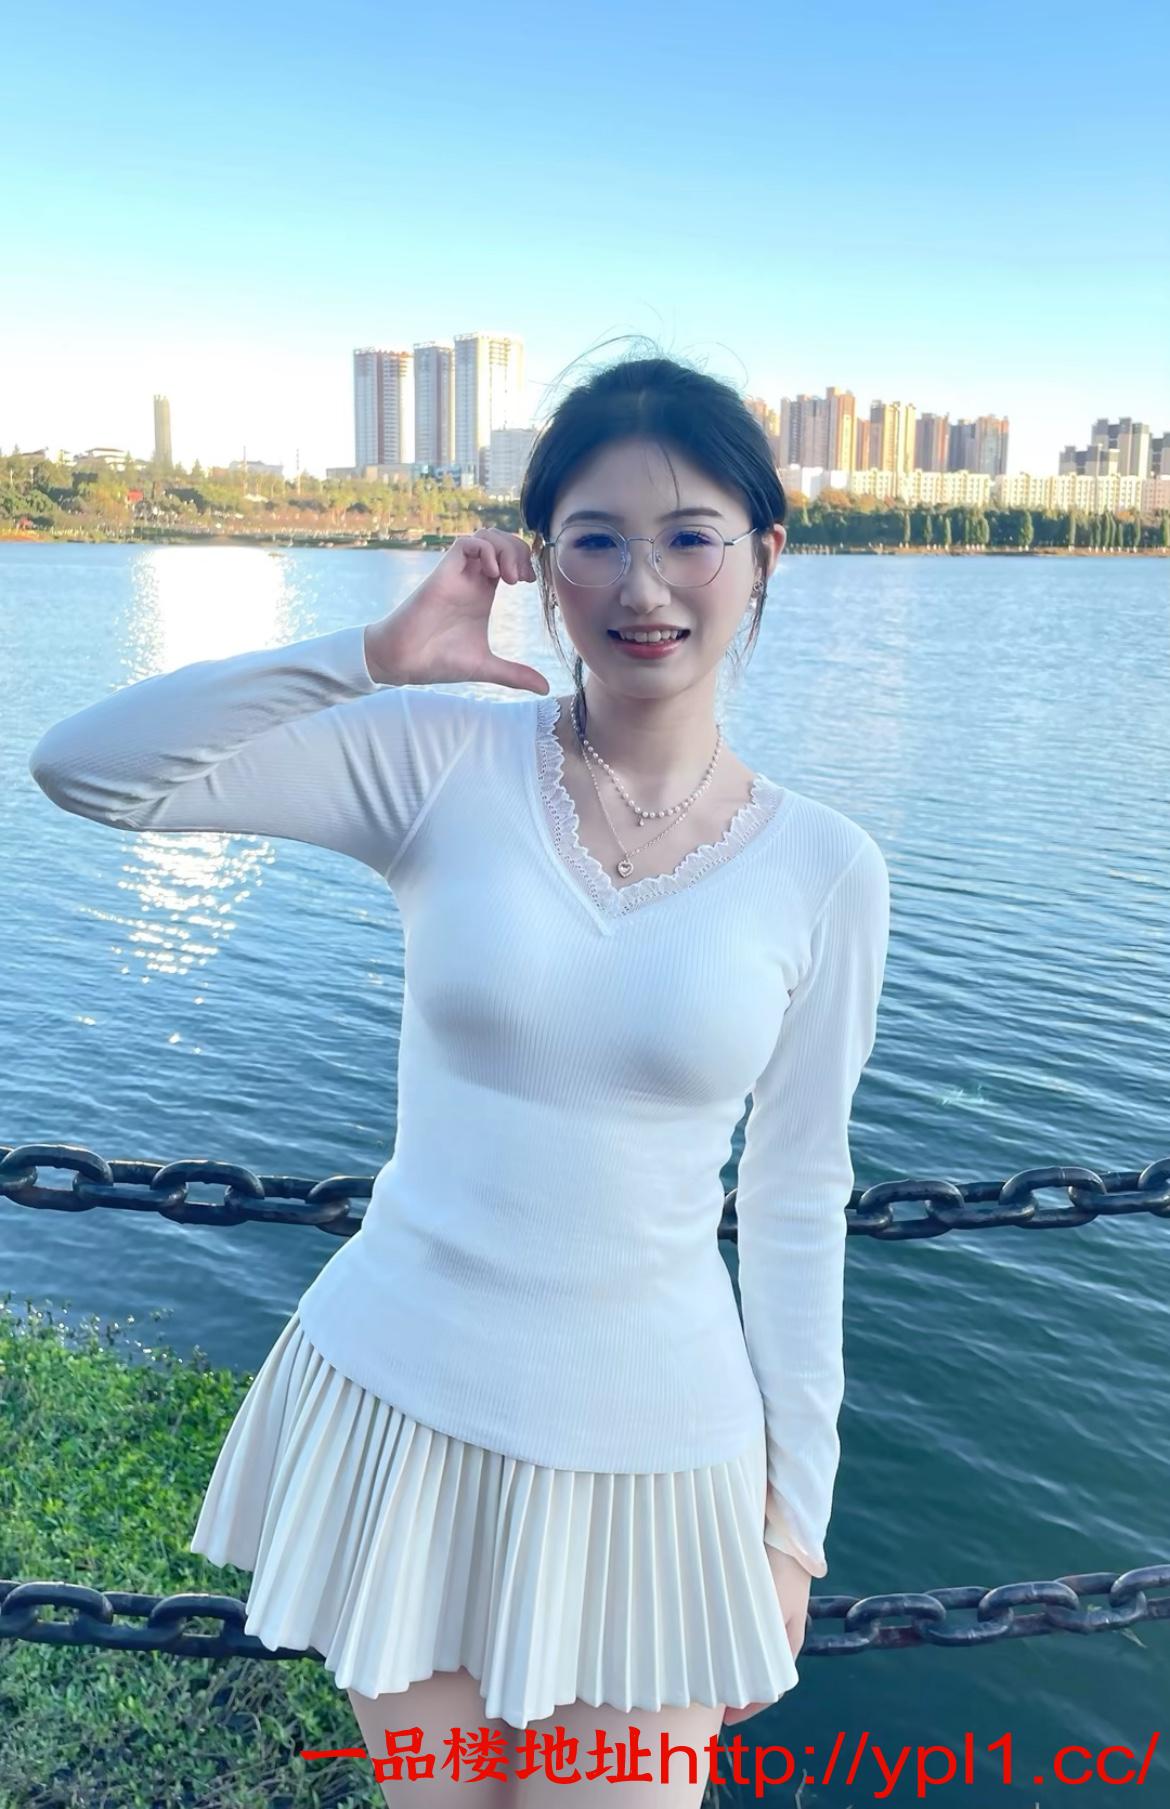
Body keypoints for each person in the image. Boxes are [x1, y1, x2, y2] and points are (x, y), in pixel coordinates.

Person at [27, 351, 891, 1807]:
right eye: (594, 540)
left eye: (689, 536)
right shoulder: (443, 756)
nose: (643, 586)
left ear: (764, 556)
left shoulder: (825, 869)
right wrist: (368, 655)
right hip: (401, 1412)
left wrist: (791, 1522)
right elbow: (93, 771)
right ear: (540, 565)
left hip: (658, 1459)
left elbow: (800, 1199)